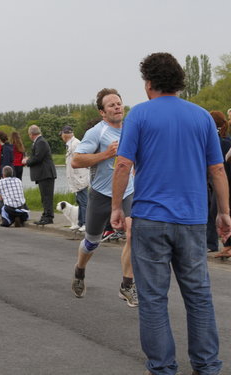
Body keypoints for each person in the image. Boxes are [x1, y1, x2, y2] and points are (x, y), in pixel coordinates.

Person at [111, 52, 231, 375]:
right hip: (192, 221)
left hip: (150, 218)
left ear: (148, 83)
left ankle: (162, 368)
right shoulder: (202, 117)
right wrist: (224, 213)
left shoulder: (139, 116)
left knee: (153, 298)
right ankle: (207, 366)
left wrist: (116, 207)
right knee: (199, 296)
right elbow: (217, 169)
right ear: (179, 82)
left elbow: (123, 164)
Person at [70, 88, 137, 308]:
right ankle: (80, 270)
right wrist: (106, 154)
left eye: (119, 103)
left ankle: (127, 285)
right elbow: (76, 161)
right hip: (101, 194)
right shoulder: (96, 133)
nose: (117, 107)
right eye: (111, 105)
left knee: (132, 232)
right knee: (92, 242)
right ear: (102, 112)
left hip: (127, 192)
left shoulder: (132, 129)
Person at [206, 111, 231, 253]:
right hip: (219, 180)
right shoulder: (224, 140)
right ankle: (222, 245)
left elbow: (219, 166)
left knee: (217, 210)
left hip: (223, 180)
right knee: (215, 210)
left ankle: (216, 244)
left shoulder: (222, 141)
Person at [22, 125, 57, 225]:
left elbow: (38, 158)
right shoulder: (39, 141)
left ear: (31, 134)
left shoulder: (40, 142)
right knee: (44, 196)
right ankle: (46, 215)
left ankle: (48, 217)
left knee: (47, 196)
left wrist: (26, 161)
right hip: (43, 174)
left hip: (46, 173)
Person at [60, 125, 89, 232]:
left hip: (79, 177)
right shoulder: (70, 144)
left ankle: (86, 223)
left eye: (62, 134)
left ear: (65, 134)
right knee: (80, 201)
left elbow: (81, 159)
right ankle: (80, 222)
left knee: (84, 201)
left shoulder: (76, 143)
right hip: (76, 178)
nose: (61, 137)